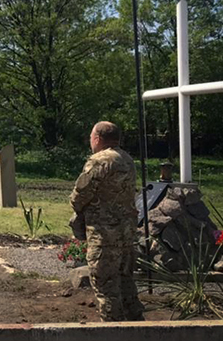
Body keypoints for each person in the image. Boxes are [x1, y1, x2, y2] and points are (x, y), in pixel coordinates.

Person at [69, 121, 144, 322]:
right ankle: (139, 327)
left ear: (97, 139)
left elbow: (80, 195)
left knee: (106, 286)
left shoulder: (99, 161)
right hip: (126, 233)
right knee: (126, 283)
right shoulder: (127, 159)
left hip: (104, 235)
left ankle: (112, 328)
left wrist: (76, 206)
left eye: (91, 137)